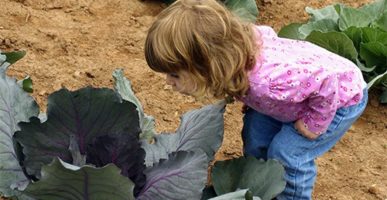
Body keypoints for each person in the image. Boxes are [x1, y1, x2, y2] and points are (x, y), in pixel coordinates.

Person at [144, 0, 368, 199]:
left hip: (339, 99)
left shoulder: (267, 81)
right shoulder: (234, 54)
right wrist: (257, 102)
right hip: (293, 100)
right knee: (255, 133)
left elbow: (327, 83)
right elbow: (266, 33)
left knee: (287, 153)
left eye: (175, 75)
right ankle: (263, 185)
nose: (168, 82)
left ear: (208, 66)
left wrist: (315, 122)